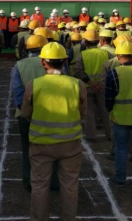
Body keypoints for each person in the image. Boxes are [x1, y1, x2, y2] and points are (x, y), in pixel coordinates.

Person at [21, 42, 86, 221]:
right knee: (69, 185)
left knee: (40, 185)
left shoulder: (34, 85)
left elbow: (26, 113)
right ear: (65, 61)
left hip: (41, 143)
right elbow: (82, 112)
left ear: (43, 62)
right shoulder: (77, 84)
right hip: (70, 144)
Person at [11, 35, 60, 192]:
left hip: (26, 115)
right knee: (53, 149)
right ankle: (53, 182)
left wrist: (27, 112)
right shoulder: (54, 63)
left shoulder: (19, 65)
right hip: (52, 113)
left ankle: (30, 182)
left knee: (28, 151)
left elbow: (18, 92)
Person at [105, 41, 132, 187]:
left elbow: (108, 98)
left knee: (121, 149)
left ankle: (120, 178)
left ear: (118, 56)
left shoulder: (113, 73)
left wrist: (109, 110)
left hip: (120, 116)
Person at [73, 30, 112, 141]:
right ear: (98, 41)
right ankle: (110, 134)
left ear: (85, 42)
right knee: (105, 111)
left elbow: (78, 71)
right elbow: (111, 69)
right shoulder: (106, 54)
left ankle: (91, 136)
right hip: (102, 87)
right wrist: (101, 83)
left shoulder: (82, 55)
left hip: (88, 87)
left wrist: (90, 83)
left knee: (89, 113)